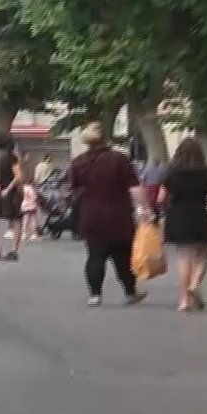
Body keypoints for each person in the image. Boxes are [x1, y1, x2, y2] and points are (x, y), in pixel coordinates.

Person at [67, 123, 147, 307]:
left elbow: (71, 189)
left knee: (95, 256)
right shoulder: (119, 159)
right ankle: (130, 291)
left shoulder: (78, 162)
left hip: (91, 216)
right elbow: (134, 187)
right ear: (105, 138)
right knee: (123, 255)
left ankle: (94, 295)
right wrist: (145, 209)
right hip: (118, 215)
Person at [160, 137, 207, 312]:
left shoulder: (170, 176)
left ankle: (184, 300)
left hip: (178, 217)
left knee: (184, 257)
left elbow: (160, 199)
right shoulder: (206, 176)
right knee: (203, 254)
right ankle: (195, 283)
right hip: (199, 216)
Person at [0, 137, 24, 261]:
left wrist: (7, 189)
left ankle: (12, 251)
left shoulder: (13, 157)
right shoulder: (4, 156)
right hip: (4, 190)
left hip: (10, 192)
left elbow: (18, 176)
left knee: (15, 219)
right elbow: (5, 176)